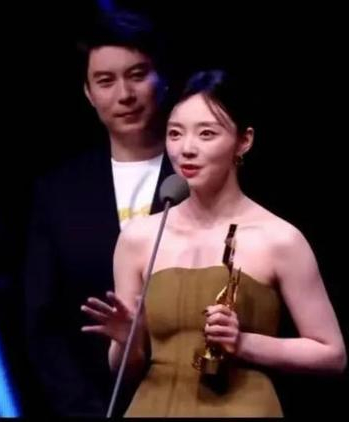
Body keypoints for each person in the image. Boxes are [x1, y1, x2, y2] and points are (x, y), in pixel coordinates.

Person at [81, 69, 346, 416]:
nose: (186, 149)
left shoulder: (279, 239)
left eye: (206, 133)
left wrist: (244, 343)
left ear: (243, 141)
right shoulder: (140, 237)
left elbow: (332, 354)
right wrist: (126, 339)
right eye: (175, 133)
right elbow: (124, 370)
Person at [23, 10, 175, 416]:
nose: (124, 94)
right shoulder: (59, 193)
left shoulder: (202, 174)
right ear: (89, 93)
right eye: (105, 81)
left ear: (163, 78)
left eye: (137, 75)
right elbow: (43, 323)